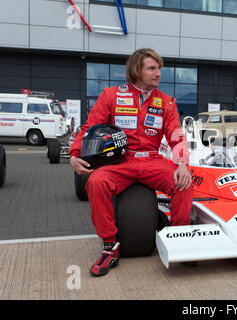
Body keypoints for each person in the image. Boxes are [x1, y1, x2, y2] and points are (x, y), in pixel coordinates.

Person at [69, 48, 193, 276]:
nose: (158, 74)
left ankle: (180, 242)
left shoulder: (166, 102)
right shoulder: (111, 95)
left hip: (153, 160)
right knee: (95, 182)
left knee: (184, 183)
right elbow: (89, 127)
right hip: (121, 162)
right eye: (152, 68)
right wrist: (74, 154)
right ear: (137, 71)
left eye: (159, 68)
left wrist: (183, 164)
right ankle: (110, 246)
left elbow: (176, 134)